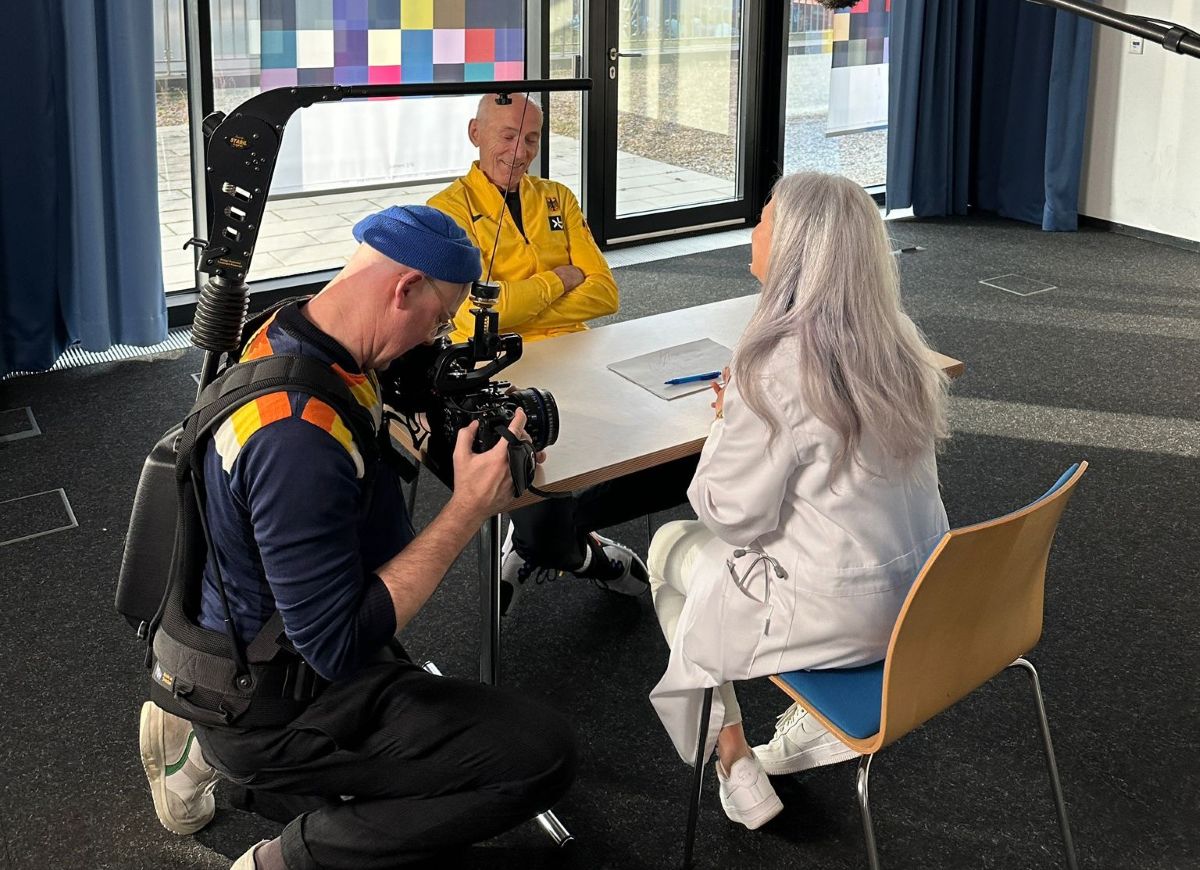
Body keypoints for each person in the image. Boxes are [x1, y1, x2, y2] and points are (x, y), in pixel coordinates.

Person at [137, 205, 576, 869]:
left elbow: (393, 404)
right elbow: (337, 643)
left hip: (234, 640)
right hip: (274, 694)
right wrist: (468, 507)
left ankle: (194, 749)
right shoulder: (296, 439)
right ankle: (279, 859)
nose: (441, 334)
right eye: (440, 316)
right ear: (403, 289)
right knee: (541, 756)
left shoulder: (293, 329)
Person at [647, 172, 951, 830]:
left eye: (764, 219)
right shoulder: (901, 344)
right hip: (926, 601)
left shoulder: (775, 366)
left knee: (670, 549)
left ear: (795, 246)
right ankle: (808, 723)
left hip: (839, 613)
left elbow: (730, 513)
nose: (754, 230)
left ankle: (733, 760)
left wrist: (731, 420)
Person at [429, 93, 697, 613]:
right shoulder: (447, 212)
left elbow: (605, 291)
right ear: (475, 134)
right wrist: (559, 279)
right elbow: (475, 318)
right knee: (542, 479)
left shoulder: (557, 197)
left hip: (582, 352)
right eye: (507, 135)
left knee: (645, 445)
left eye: (531, 138)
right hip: (502, 368)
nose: (520, 150)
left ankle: (547, 542)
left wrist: (518, 302)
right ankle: (578, 553)